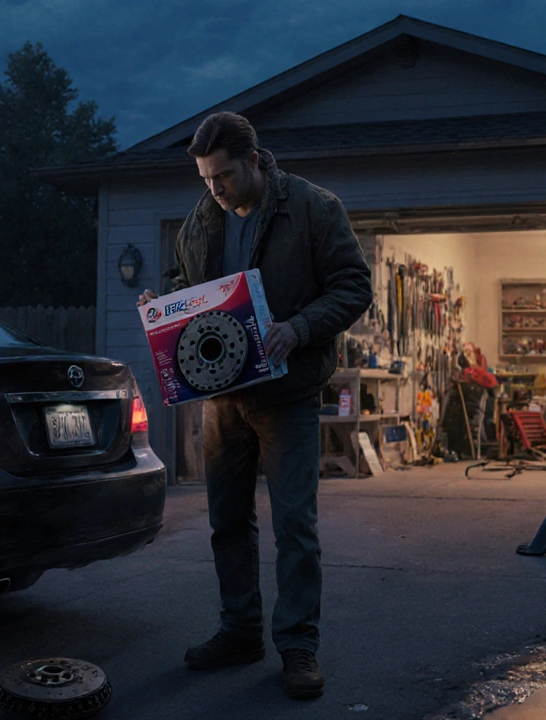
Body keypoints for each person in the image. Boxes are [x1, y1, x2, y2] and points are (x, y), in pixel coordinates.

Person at [137, 112, 372, 700]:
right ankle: (239, 631)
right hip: (222, 399)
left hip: (288, 393)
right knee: (226, 522)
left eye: (223, 176)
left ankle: (298, 646)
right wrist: (163, 304)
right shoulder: (200, 219)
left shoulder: (314, 208)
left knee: (295, 524)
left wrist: (299, 326)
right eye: (205, 179)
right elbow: (183, 280)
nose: (214, 189)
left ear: (255, 161)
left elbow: (353, 284)